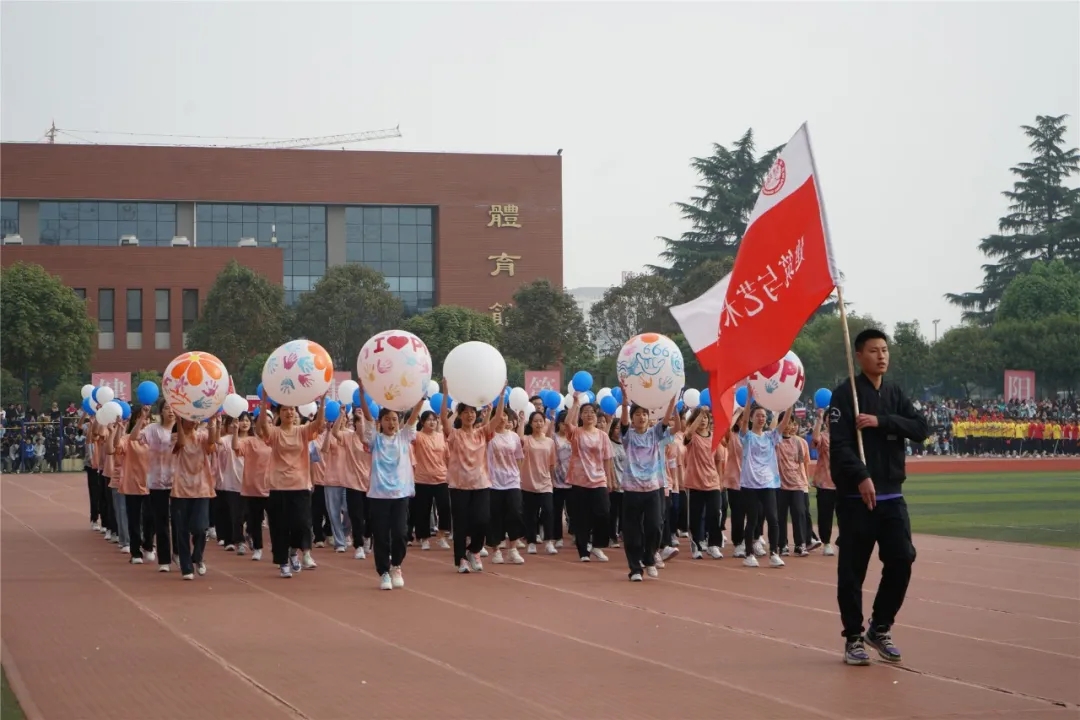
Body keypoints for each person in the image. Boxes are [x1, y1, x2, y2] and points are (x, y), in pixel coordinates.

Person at [829, 328, 929, 666]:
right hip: (856, 499)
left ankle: (880, 627)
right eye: (874, 350)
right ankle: (853, 637)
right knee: (852, 571)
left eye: (884, 350)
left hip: (891, 495)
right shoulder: (846, 395)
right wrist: (861, 476)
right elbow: (840, 446)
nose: (881, 356)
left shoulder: (895, 393)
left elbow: (920, 428)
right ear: (859, 355)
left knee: (902, 558)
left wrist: (881, 421)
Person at [358, 387, 424, 591]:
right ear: (381, 422)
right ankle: (384, 572)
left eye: (394, 419)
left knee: (400, 533)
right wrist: (362, 394)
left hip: (400, 494)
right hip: (379, 495)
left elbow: (413, 418)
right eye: (387, 419)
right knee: (380, 535)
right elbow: (367, 417)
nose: (391, 423)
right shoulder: (375, 439)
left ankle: (396, 565)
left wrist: (421, 398)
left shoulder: (404, 437)